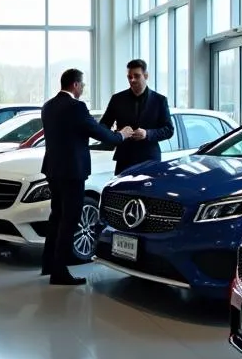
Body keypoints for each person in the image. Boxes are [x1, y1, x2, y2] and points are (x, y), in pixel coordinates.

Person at [41, 68, 132, 286]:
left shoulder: (48, 106)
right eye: (82, 85)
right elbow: (98, 132)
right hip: (72, 172)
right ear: (75, 85)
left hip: (53, 169)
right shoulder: (76, 107)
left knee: (56, 216)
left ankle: (49, 263)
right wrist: (122, 135)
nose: (83, 88)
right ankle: (59, 272)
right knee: (69, 219)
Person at [99, 59, 175, 175]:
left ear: (146, 76)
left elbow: (169, 130)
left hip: (150, 160)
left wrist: (147, 133)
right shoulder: (117, 99)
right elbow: (103, 125)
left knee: (149, 193)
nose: (132, 80)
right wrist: (118, 135)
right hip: (124, 159)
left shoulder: (160, 100)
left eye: (136, 76)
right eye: (129, 77)